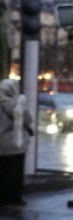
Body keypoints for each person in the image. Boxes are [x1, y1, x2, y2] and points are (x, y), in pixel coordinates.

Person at [0, 78, 34, 206]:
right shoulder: (16, 104)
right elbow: (28, 120)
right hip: (15, 144)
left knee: (2, 171)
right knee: (15, 173)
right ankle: (14, 198)